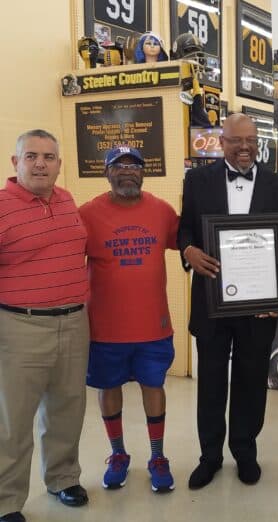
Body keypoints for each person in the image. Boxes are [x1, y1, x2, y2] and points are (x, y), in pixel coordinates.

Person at [178, 113, 278, 489]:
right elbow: (185, 229)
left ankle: (245, 452)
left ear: (257, 141)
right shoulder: (196, 180)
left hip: (257, 304)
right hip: (211, 300)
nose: (244, 147)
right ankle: (209, 457)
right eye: (235, 140)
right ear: (221, 142)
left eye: (250, 139)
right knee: (210, 381)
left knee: (250, 380)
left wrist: (276, 295)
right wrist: (188, 251)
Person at [0, 130, 90, 522]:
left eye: (49, 157)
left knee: (67, 408)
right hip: (21, 326)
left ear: (59, 163)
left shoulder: (67, 200)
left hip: (73, 322)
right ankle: (6, 501)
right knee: (12, 420)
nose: (41, 163)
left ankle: (63, 478)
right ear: (15, 163)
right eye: (32, 156)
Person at [79, 146, 179, 493]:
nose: (127, 172)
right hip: (105, 329)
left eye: (134, 166)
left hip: (153, 326)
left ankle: (157, 456)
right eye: (118, 166)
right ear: (106, 173)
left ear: (143, 172)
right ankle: (118, 454)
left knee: (154, 387)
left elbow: (194, 241)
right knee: (109, 388)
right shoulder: (87, 214)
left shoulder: (162, 211)